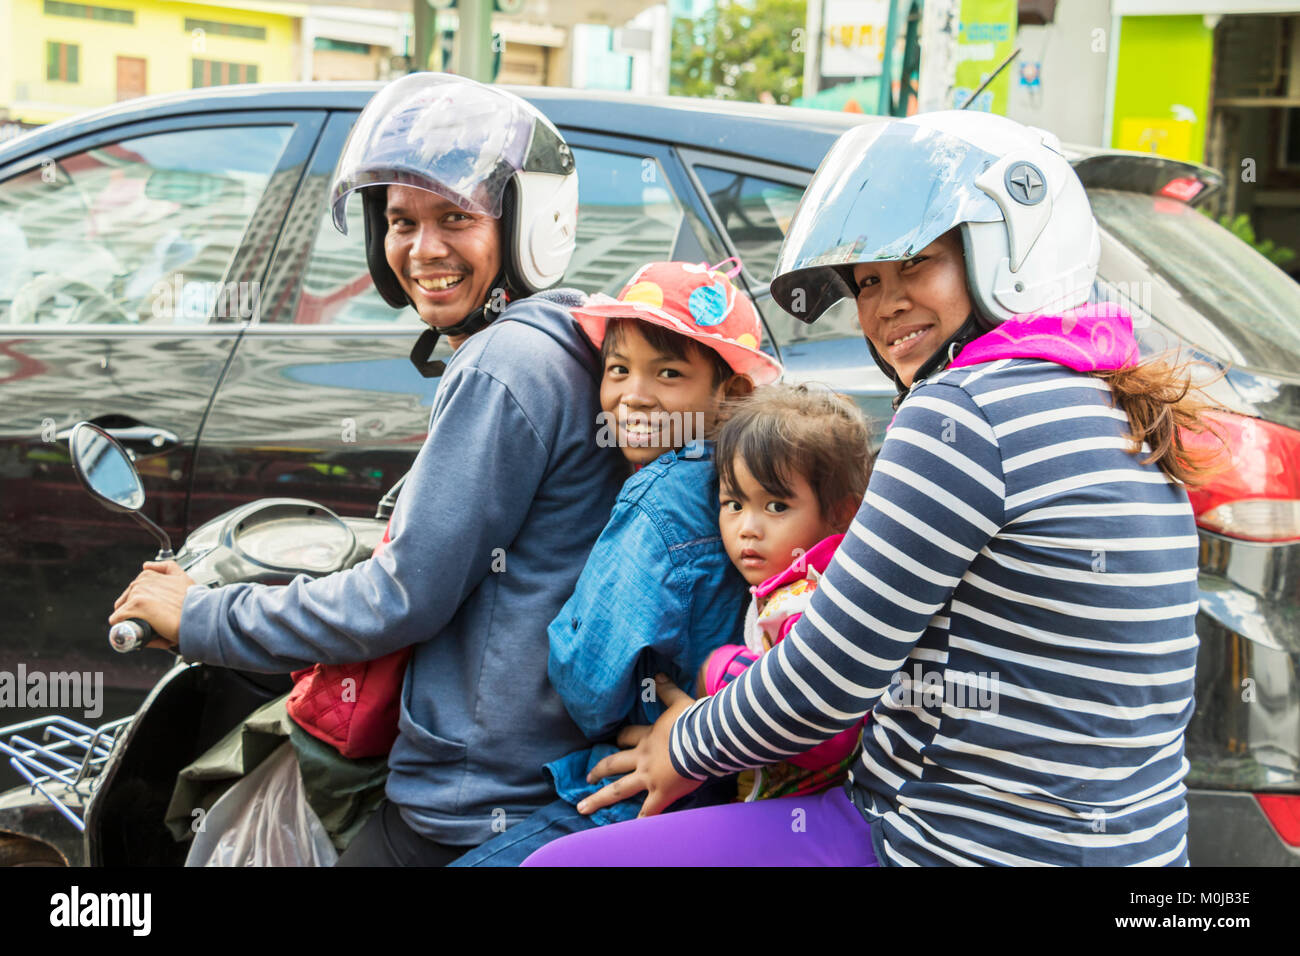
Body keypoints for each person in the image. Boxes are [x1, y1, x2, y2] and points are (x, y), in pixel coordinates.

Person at [521, 110, 1223, 867]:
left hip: (942, 841)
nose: (884, 305)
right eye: (867, 282)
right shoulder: (1106, 400)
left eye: (915, 265)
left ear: (1006, 249)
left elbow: (825, 681)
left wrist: (681, 746)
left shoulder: (967, 409)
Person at [108, 72, 628, 866]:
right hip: (536, 768)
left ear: (526, 225)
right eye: (401, 221)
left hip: (475, 796)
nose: (423, 249)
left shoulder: (504, 365)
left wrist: (206, 618)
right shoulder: (562, 339)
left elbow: (403, 600)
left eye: (456, 217)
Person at [449, 259, 781, 866]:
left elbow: (589, 683)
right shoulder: (744, 486)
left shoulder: (655, 500)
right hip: (719, 782)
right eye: (618, 370)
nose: (633, 395)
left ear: (728, 393)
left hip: (638, 788)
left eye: (669, 373)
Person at [697, 384, 872, 802]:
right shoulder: (788, 587)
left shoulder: (806, 603)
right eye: (733, 503)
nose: (747, 528)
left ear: (840, 514)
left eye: (775, 506)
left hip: (804, 812)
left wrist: (721, 670)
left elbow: (826, 737)